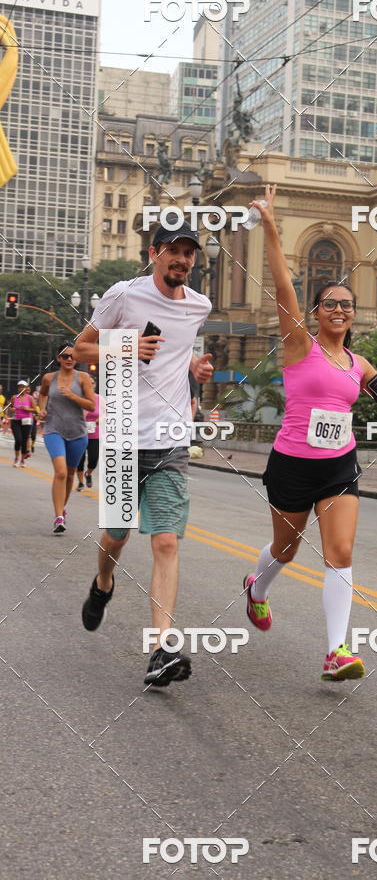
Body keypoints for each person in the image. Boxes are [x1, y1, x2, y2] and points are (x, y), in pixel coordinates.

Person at [242, 185, 377, 682]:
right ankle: (256, 588)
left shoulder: (359, 364)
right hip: (292, 465)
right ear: (317, 313)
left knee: (340, 552)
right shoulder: (299, 346)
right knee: (287, 548)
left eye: (347, 304)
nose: (339, 309)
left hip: (339, 466)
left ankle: (337, 651)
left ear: (353, 314)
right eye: (329, 303)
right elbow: (282, 287)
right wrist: (272, 226)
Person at [72, 220, 214, 687]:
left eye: (189, 253)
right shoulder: (124, 295)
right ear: (154, 253)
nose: (182, 260)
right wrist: (127, 345)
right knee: (116, 537)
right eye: (173, 250)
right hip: (120, 436)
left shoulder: (199, 306)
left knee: (166, 541)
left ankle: (160, 650)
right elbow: (80, 349)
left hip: (171, 439)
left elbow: (177, 352)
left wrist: (196, 365)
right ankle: (103, 585)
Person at [38, 344, 96, 532]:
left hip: (77, 432)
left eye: (72, 356)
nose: (69, 359)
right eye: (65, 356)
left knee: (70, 473)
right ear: (58, 358)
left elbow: (91, 406)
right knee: (61, 472)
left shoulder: (84, 378)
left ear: (77, 358)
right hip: (53, 429)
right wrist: (42, 409)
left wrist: (71, 395)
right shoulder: (49, 378)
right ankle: (58, 517)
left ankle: (62, 507)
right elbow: (43, 395)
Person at [76, 376, 100, 491]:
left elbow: (108, 412)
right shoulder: (79, 398)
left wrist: (101, 419)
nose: (91, 385)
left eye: (93, 383)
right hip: (80, 434)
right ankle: (80, 483)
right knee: (79, 459)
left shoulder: (99, 398)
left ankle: (88, 473)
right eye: (88, 383)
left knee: (94, 458)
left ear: (95, 385)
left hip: (94, 434)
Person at [8, 380, 36, 467]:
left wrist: (26, 408)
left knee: (24, 441)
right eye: (20, 387)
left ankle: (23, 460)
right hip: (16, 420)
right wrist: (11, 410)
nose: (21, 389)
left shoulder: (30, 398)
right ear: (18, 388)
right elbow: (10, 411)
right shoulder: (14, 397)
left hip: (27, 421)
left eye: (23, 387)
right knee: (18, 440)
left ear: (26, 388)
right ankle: (16, 459)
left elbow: (35, 409)